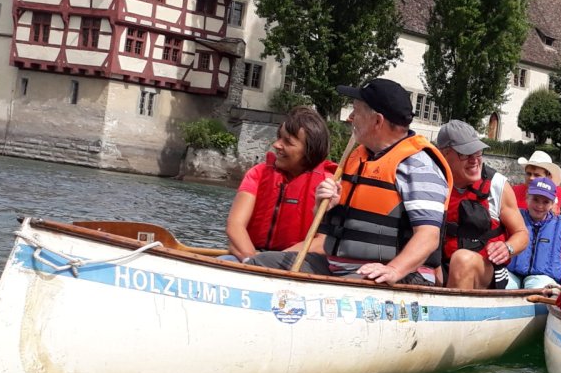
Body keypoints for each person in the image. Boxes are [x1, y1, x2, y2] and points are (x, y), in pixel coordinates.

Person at [247, 78, 450, 284]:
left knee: (335, 286)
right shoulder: (357, 157)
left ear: (377, 121)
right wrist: (324, 208)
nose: (350, 117)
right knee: (257, 264)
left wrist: (393, 270)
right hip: (334, 267)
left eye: (356, 111)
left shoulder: (419, 166)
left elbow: (428, 237)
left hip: (396, 274)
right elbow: (330, 231)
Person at [225, 106, 334, 258]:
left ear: (310, 151)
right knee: (226, 260)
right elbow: (235, 225)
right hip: (251, 255)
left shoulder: (328, 185)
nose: (276, 144)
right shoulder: (257, 173)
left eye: (287, 141)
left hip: (298, 261)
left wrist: (272, 261)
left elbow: (323, 242)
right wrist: (253, 261)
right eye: (279, 137)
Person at [435, 120, 529, 290]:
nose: (474, 160)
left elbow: (522, 234)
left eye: (478, 152)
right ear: (444, 154)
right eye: (465, 154)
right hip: (440, 265)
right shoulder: (430, 181)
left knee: (462, 260)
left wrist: (507, 248)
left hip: (486, 271)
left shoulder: (497, 185)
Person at [507, 176, 561, 289]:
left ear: (552, 204)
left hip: (543, 277)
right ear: (527, 197)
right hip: (512, 273)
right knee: (505, 285)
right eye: (535, 199)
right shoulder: (515, 219)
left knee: (538, 287)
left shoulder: (560, 227)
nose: (539, 206)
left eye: (546, 202)